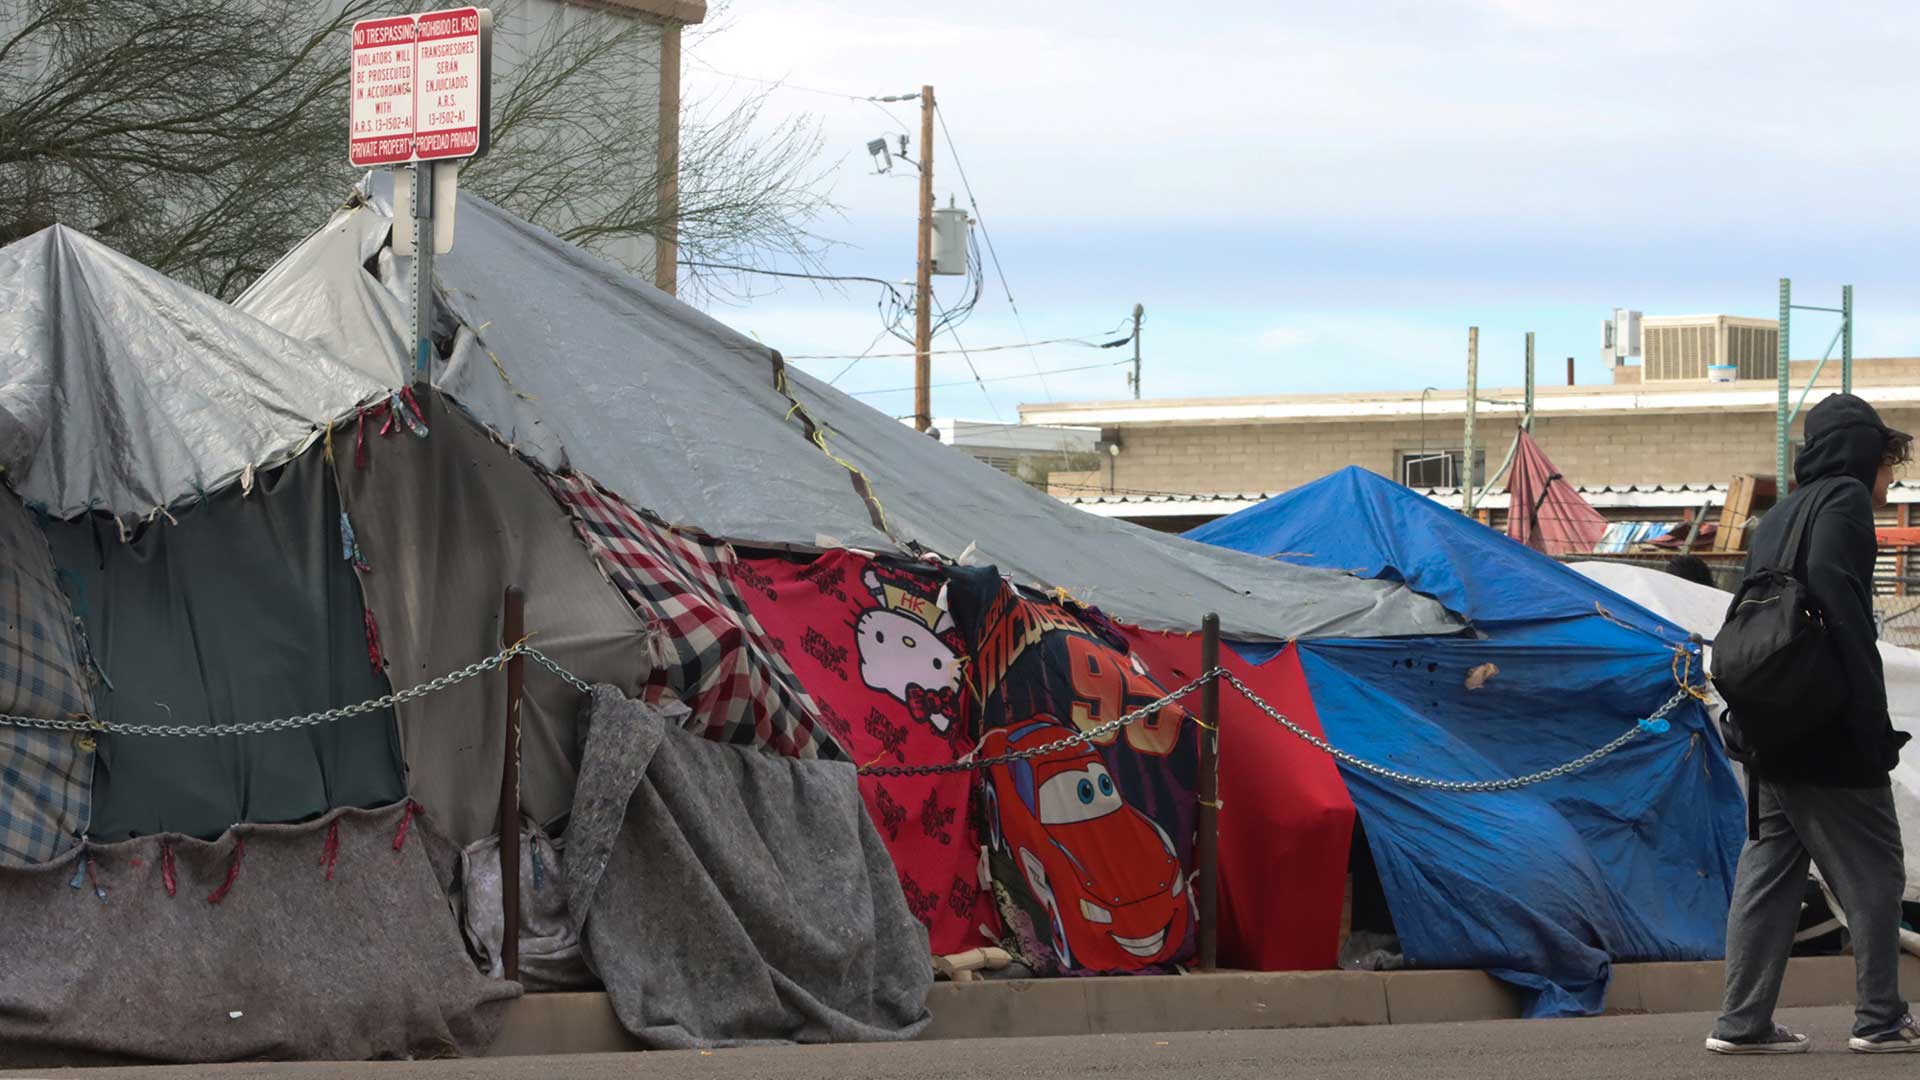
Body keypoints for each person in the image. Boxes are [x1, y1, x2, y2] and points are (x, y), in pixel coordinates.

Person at [1708, 394, 1916, 1055]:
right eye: (1889, 466)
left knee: (1768, 877)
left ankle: (1741, 1024)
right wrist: (1871, 724)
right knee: (1877, 869)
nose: (1890, 483)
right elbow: (1843, 614)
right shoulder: (1847, 503)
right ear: (1863, 455)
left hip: (1771, 721)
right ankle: (1880, 1020)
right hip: (1827, 725)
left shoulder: (1779, 514)